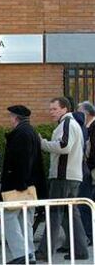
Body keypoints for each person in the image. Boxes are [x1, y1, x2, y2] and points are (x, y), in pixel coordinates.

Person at [35, 97, 89, 261]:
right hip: (72, 176)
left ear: (64, 108)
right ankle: (81, 251)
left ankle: (44, 253)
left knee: (54, 214)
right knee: (71, 213)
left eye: (54, 109)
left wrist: (42, 143)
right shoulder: (72, 124)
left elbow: (64, 146)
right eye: (50, 109)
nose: (51, 112)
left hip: (63, 176)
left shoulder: (67, 123)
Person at [1, 105, 46, 264]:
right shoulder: (30, 131)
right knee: (25, 220)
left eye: (10, 117)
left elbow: (22, 161)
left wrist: (19, 184)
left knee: (9, 218)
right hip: (29, 185)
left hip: (18, 185)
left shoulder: (21, 134)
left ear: (15, 118)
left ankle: (21, 254)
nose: (9, 120)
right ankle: (29, 254)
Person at [77, 101, 95, 244]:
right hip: (89, 169)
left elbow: (92, 152)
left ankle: (89, 234)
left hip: (91, 170)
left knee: (86, 203)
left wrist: (88, 167)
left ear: (86, 114)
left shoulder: (93, 127)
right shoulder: (88, 127)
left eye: (79, 111)